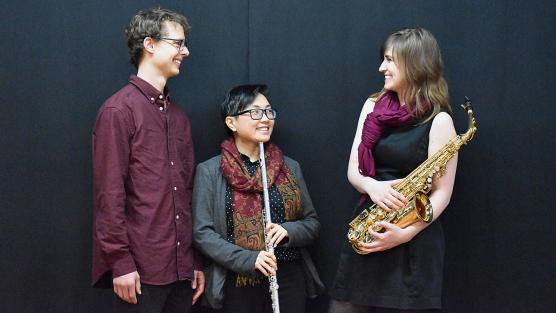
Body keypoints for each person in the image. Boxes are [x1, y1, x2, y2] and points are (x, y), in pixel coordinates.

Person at [329, 27, 458, 312]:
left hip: (413, 240)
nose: (381, 68)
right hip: (370, 229)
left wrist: (406, 233)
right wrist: (373, 187)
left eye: (389, 60)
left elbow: (442, 194)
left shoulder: (440, 121)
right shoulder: (372, 106)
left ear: (414, 64)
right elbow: (354, 169)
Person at [91, 7, 204, 313]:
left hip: (182, 271)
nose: (186, 52)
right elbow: (109, 194)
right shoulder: (118, 111)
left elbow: (187, 192)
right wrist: (121, 262)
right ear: (150, 44)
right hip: (140, 271)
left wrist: (192, 260)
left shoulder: (179, 117)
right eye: (178, 44)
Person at [192, 84, 324, 313]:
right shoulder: (209, 171)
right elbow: (202, 233)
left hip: (289, 278)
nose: (265, 119)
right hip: (238, 281)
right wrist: (248, 259)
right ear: (231, 122)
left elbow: (312, 224)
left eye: (269, 112)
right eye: (255, 112)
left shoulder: (290, 167)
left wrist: (288, 231)